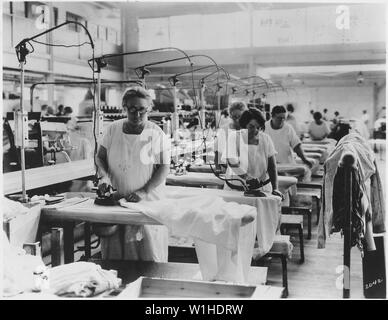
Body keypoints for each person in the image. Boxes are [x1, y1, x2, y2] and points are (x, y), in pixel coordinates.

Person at [95, 87, 170, 261]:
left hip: (147, 203)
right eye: (132, 109)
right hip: (117, 200)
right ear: (124, 108)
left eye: (142, 110)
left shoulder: (156, 132)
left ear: (149, 109)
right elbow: (100, 158)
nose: (137, 114)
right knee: (115, 257)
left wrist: (143, 191)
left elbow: (164, 167)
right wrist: (104, 176)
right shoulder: (113, 129)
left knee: (148, 256)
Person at [223, 108, 283, 198]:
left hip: (261, 189)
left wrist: (275, 189)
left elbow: (272, 167)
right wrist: (248, 178)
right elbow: (232, 163)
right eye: (251, 127)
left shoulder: (265, 139)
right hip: (235, 189)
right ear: (244, 125)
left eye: (258, 127)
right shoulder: (234, 137)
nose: (255, 131)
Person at [215, 101, 248, 169]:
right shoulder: (224, 131)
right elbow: (218, 153)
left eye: (240, 116)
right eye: (234, 117)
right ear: (230, 116)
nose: (237, 120)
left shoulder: (249, 130)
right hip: (228, 170)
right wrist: (218, 169)